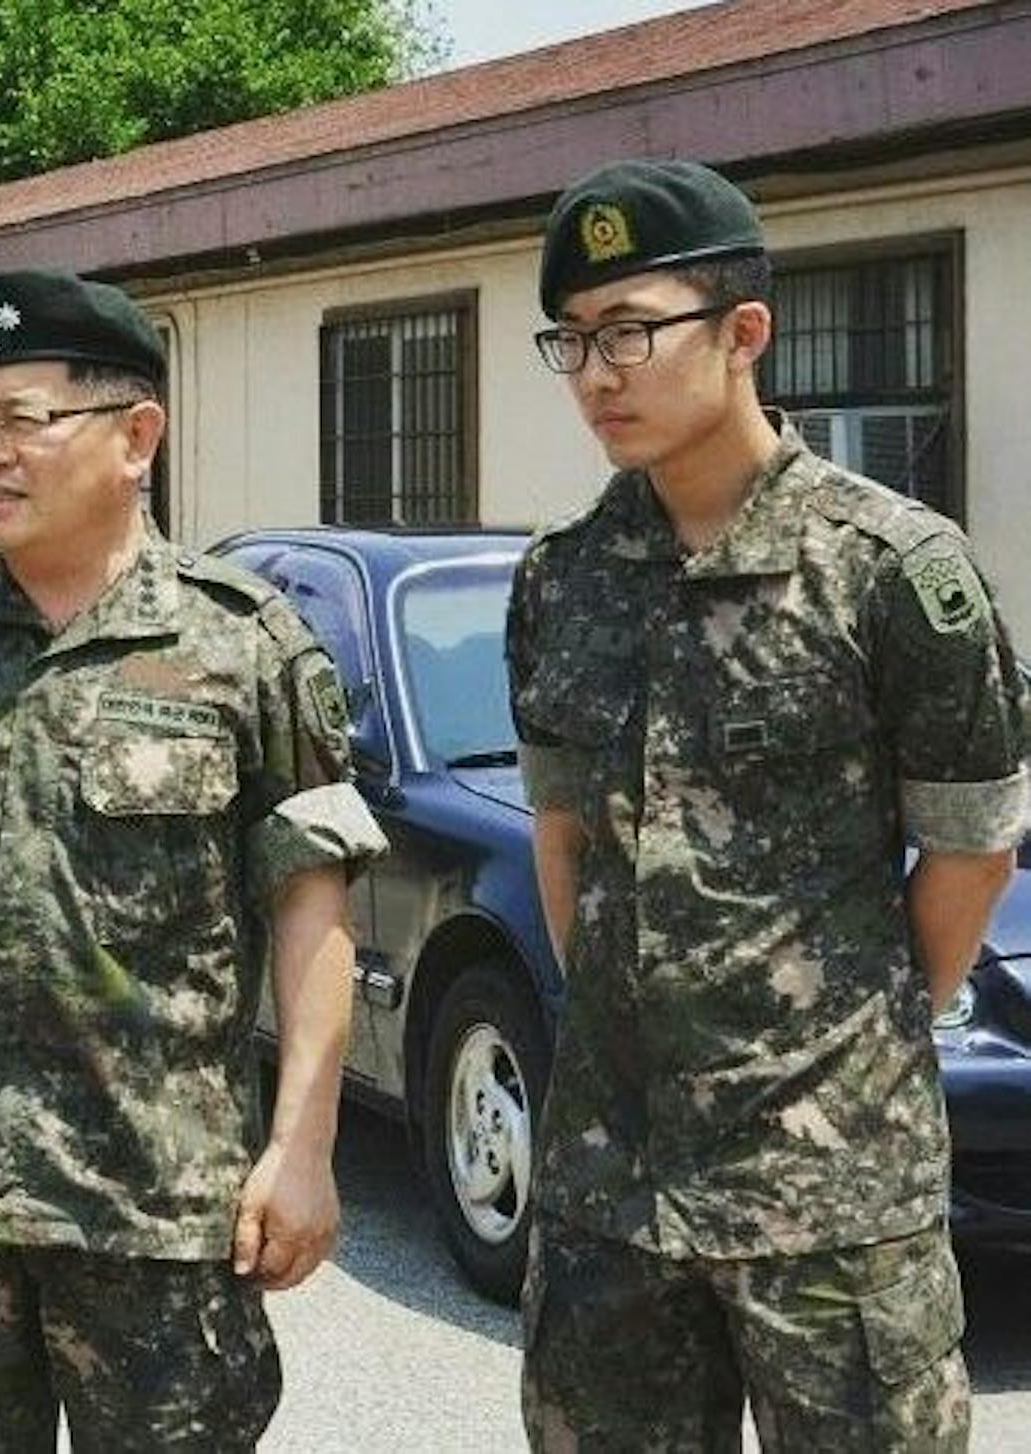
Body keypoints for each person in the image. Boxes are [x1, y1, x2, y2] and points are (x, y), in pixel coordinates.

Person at [0, 268, 385, 1449]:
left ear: (134, 434)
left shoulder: (241, 647)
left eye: (23, 419)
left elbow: (312, 910)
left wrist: (302, 1147)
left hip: (159, 1220)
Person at [508, 158, 1028, 1450]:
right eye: (570, 340)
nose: (597, 373)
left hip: (831, 1201)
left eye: (630, 329)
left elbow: (970, 849)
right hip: (608, 1190)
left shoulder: (894, 572)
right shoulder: (564, 580)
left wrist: (841, 1040)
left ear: (744, 331)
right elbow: (565, 836)